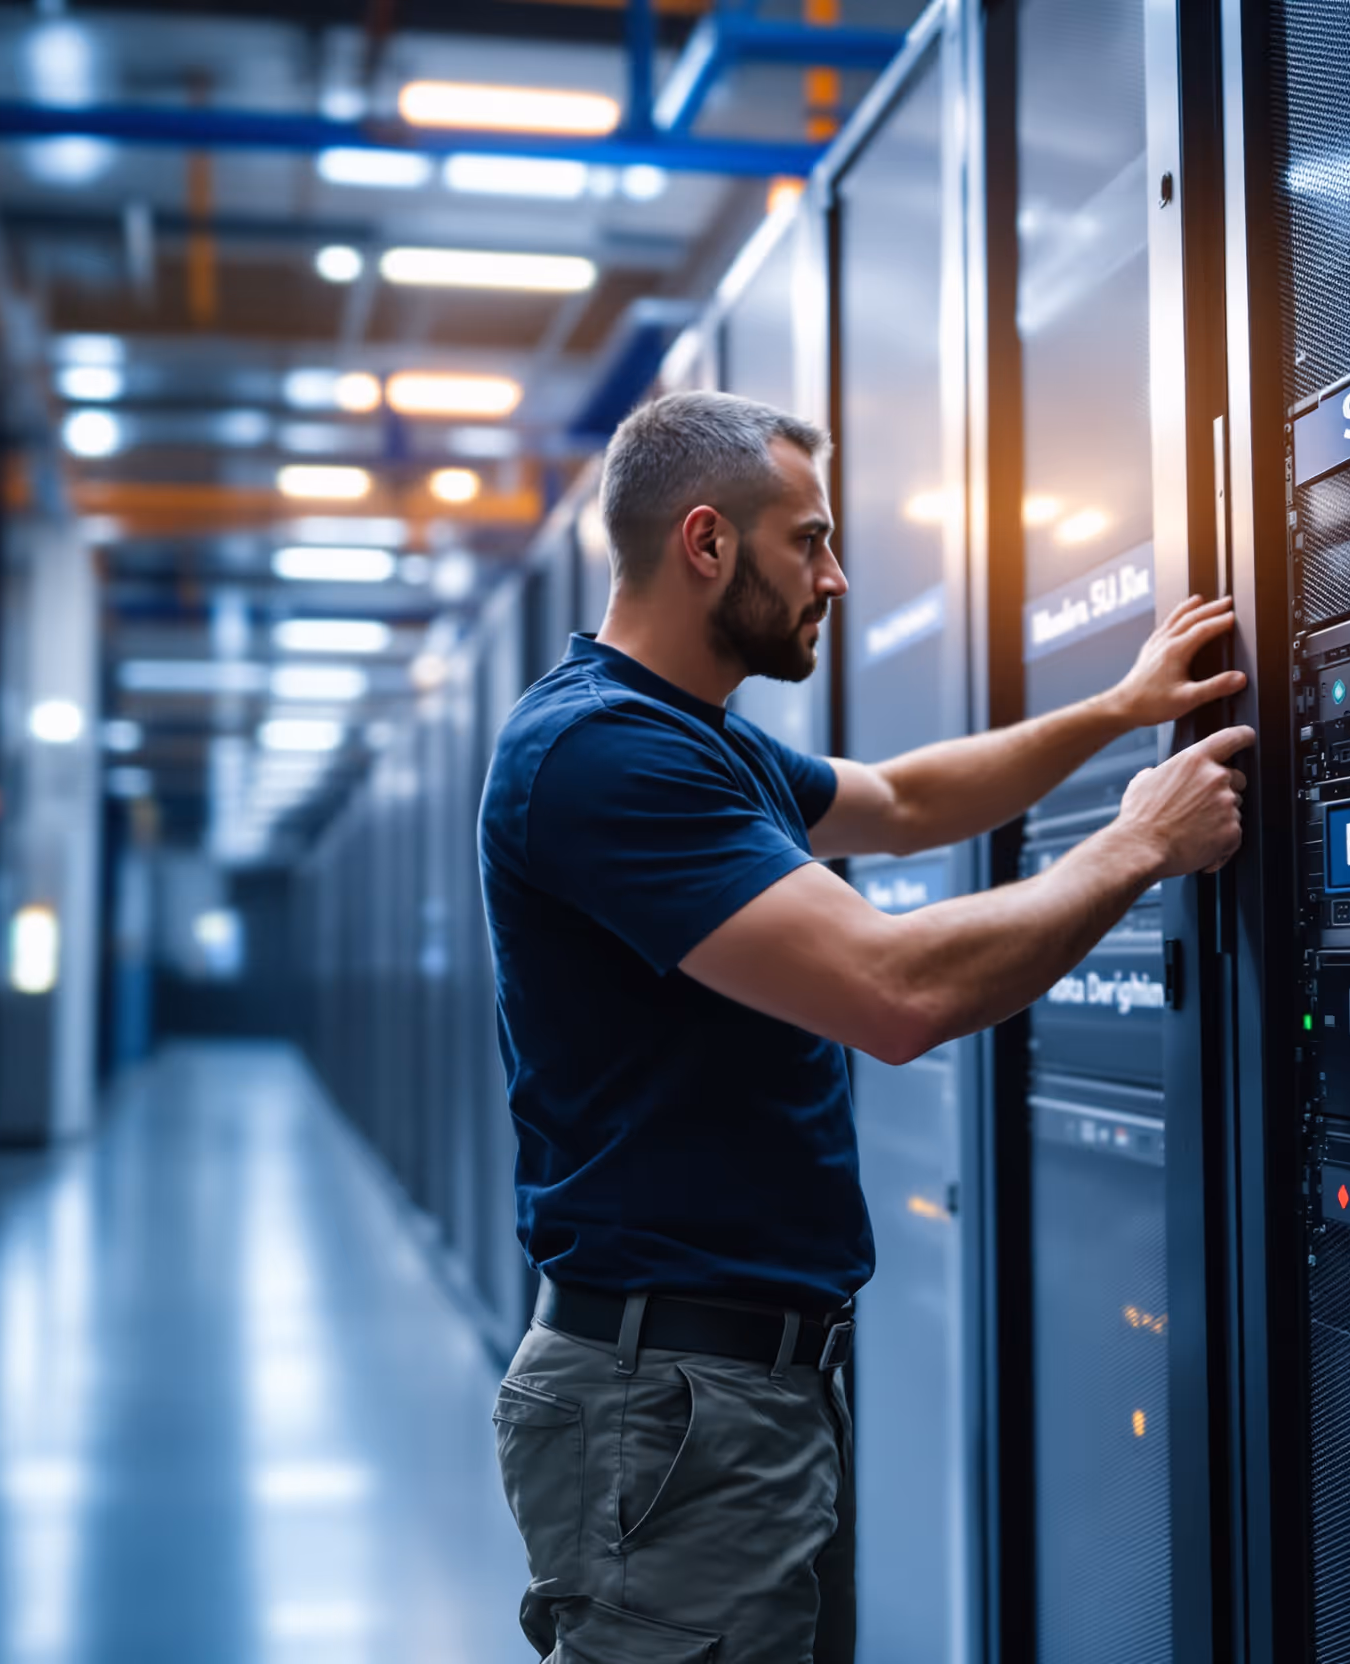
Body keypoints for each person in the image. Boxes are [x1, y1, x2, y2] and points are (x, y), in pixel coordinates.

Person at [479, 390, 1251, 1662]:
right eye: (811, 541)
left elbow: (900, 799)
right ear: (706, 541)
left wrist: (1117, 710)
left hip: (736, 1389)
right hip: (675, 1406)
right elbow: (897, 993)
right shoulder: (601, 756)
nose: (835, 577)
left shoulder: (689, 738)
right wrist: (1137, 846)